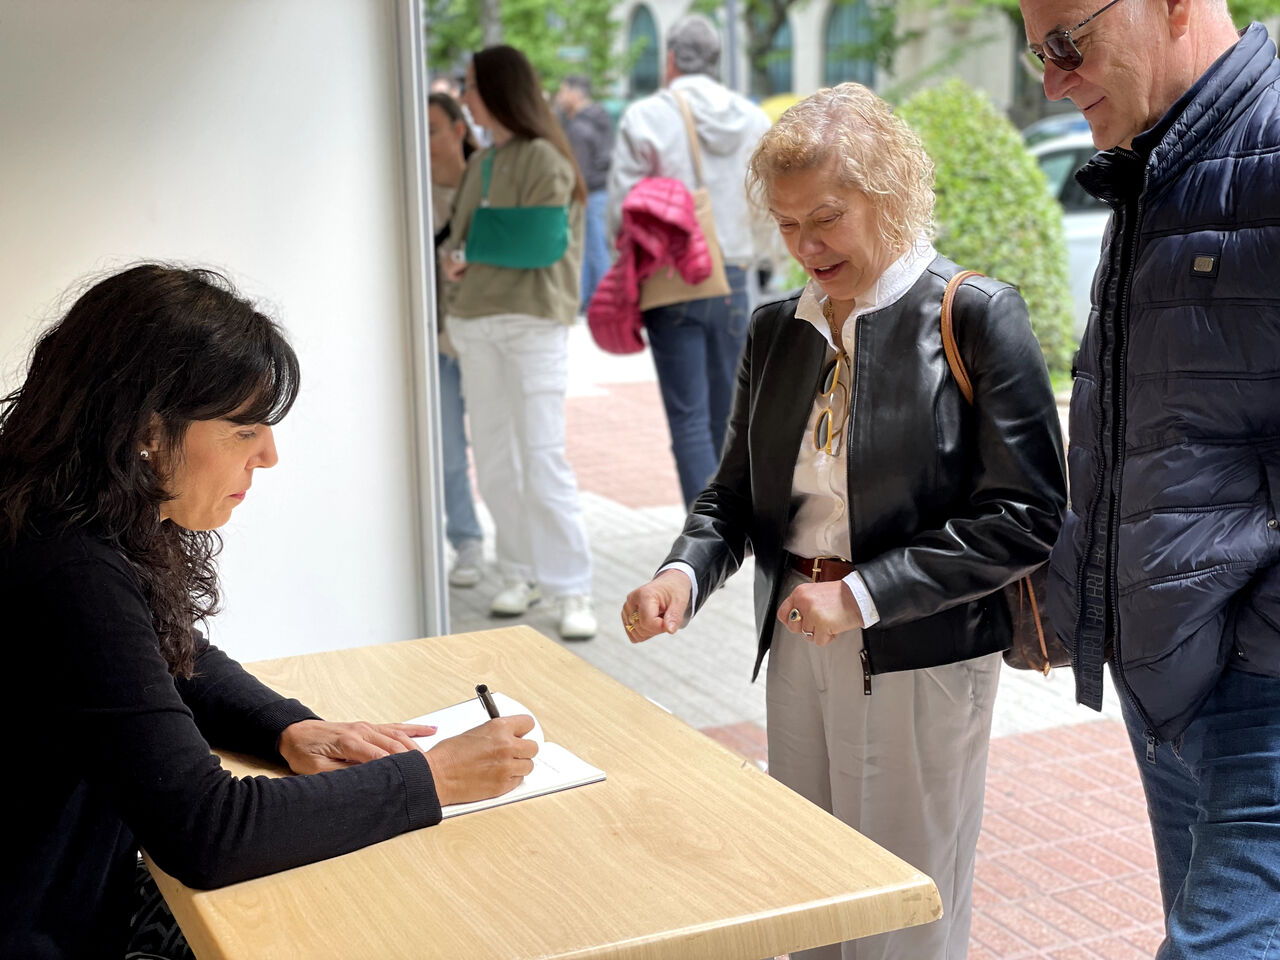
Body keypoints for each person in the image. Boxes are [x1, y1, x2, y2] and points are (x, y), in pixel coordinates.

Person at [621, 84, 1066, 960]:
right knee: (811, 884)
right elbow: (735, 495)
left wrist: (863, 594)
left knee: (903, 902)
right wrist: (682, 572)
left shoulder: (974, 315)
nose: (805, 247)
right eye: (787, 226)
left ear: (891, 197)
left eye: (825, 219)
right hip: (798, 636)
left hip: (920, 647)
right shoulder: (775, 330)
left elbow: (1026, 514)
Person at [0, 265, 539, 959]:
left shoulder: (50, 512)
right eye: (244, 430)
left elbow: (159, 654)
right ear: (146, 431)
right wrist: (431, 778)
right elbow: (207, 832)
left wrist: (289, 726)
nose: (270, 456)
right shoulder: (67, 569)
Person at [1019, 1, 1280, 955]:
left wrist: (1248, 640)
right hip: (1169, 677)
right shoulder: (1156, 164)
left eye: (1066, 41)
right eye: (1035, 49)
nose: (1050, 77)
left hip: (1256, 684)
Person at [443, 46, 597, 640]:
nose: (465, 95)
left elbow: (537, 246)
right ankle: (520, 572)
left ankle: (570, 588)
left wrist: (476, 249)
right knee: (498, 461)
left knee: (542, 456)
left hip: (534, 323)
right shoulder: (481, 163)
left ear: (500, 89)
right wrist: (472, 250)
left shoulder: (544, 159)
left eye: (473, 85)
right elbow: (460, 244)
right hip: (478, 324)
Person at [606, 14, 773, 507]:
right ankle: (732, 531)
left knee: (688, 419)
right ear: (718, 61)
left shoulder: (646, 116)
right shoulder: (753, 118)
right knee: (730, 416)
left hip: (672, 278)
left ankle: (703, 543)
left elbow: (620, 212)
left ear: (671, 59)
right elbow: (769, 205)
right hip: (736, 277)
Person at [428, 91, 485, 588]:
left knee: (497, 449)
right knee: (447, 447)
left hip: (487, 331)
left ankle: (524, 561)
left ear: (459, 130)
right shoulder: (412, 189)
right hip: (440, 339)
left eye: (432, 130)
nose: (423, 142)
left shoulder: (487, 179)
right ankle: (467, 540)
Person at [556, 74, 614, 309]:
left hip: (588, 194)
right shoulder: (600, 118)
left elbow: (579, 169)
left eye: (563, 91)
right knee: (593, 247)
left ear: (576, 93)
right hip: (600, 191)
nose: (560, 97)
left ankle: (602, 302)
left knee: (594, 250)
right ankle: (590, 299)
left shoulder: (579, 127)